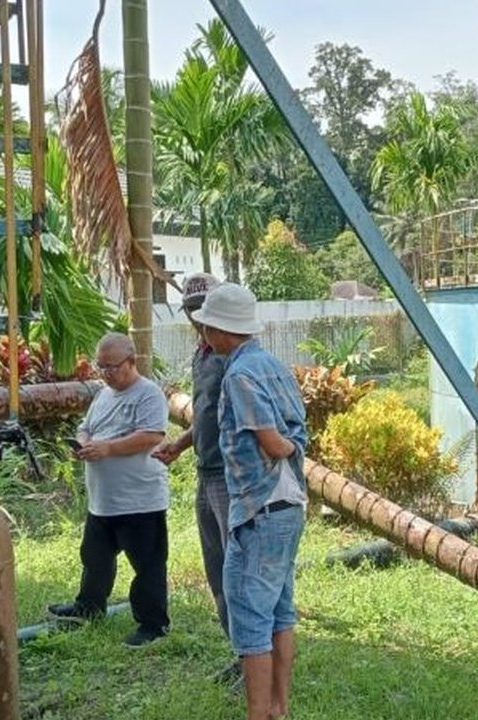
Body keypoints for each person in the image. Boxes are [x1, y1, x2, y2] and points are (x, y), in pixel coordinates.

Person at [191, 283, 308, 720]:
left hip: (260, 505)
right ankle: (278, 708)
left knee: (249, 616)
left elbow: (272, 441)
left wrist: (284, 448)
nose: (202, 332)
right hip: (288, 505)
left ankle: (258, 713)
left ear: (220, 331)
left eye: (207, 325)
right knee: (280, 609)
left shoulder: (239, 375)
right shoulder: (271, 363)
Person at [48, 333, 171, 648]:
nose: (106, 373)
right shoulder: (104, 395)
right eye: (100, 367)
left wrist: (108, 449)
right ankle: (89, 607)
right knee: (94, 558)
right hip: (103, 500)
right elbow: (85, 427)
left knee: (147, 566)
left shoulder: (149, 394)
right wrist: (84, 443)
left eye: (112, 367)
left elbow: (151, 436)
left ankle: (153, 624)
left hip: (139, 500)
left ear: (131, 362)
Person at [151, 273, 239, 674]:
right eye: (190, 309)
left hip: (232, 474)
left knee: (239, 572)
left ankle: (257, 662)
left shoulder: (233, 352)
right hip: (207, 472)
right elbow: (207, 413)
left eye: (203, 307)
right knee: (217, 570)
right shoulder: (203, 352)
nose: (197, 316)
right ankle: (242, 656)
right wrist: (182, 443)